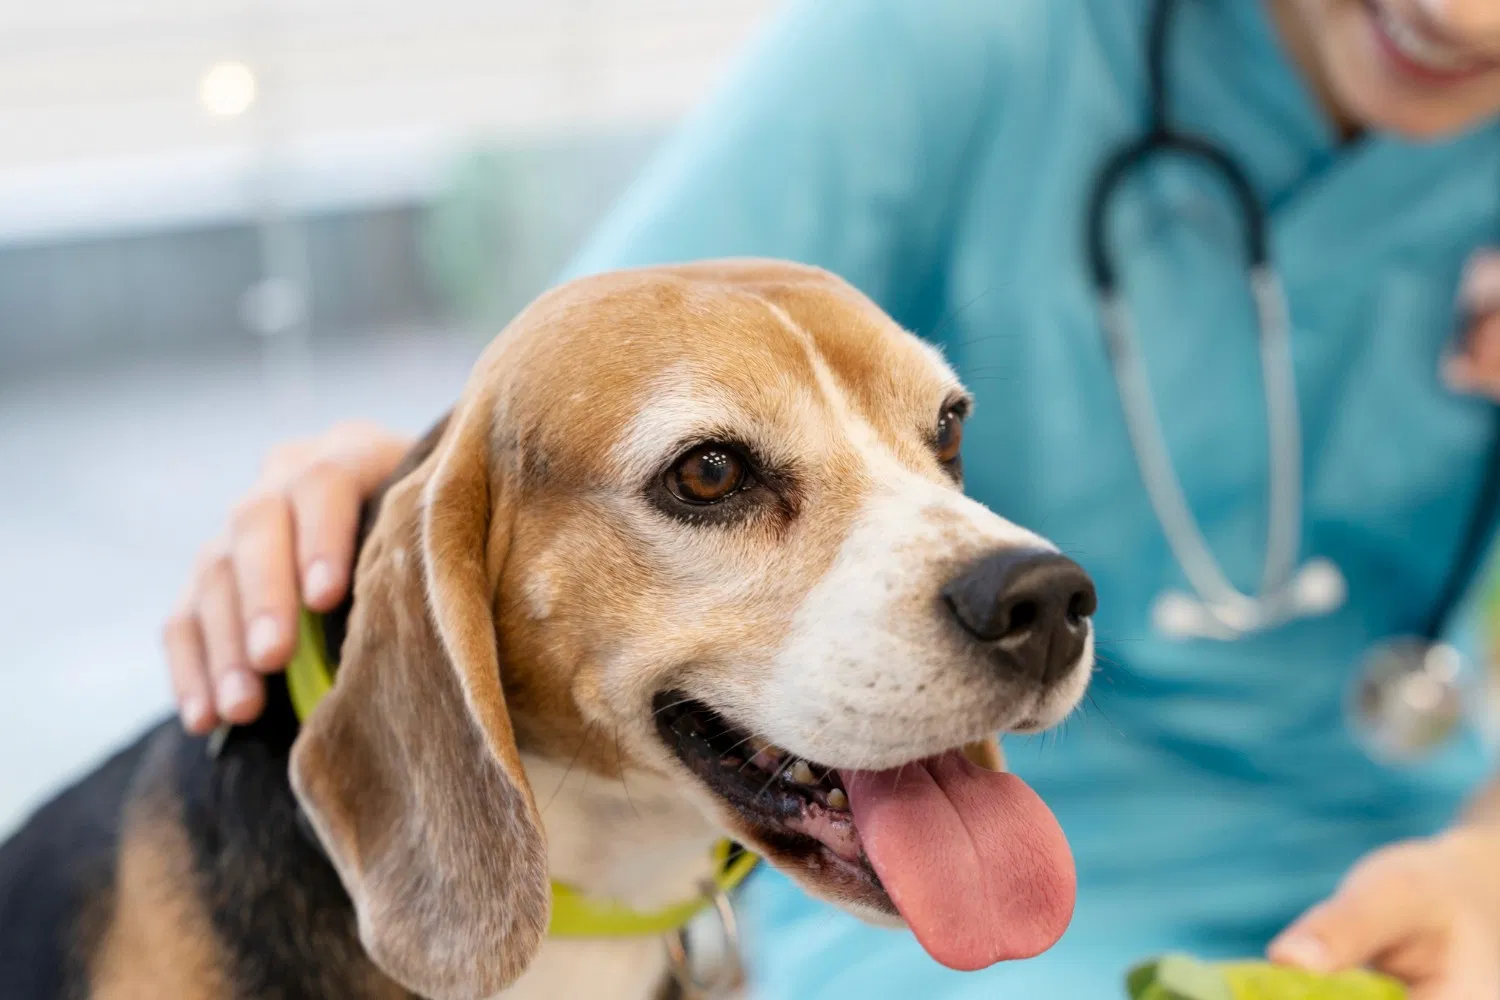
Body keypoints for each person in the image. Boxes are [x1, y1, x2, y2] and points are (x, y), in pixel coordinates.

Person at [160, 0, 1500, 995]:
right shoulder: (948, 41)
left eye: (947, 433)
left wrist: (1486, 874)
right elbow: (587, 402)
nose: (1453, 16)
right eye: (721, 481)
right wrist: (394, 487)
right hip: (927, 818)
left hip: (1422, 848)